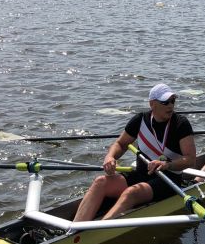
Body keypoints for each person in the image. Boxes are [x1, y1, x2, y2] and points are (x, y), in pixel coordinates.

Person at [73, 83, 196, 222]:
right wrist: (110, 157)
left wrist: (167, 164)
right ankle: (74, 229)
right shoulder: (140, 120)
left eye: (173, 101)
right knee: (100, 181)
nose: (170, 105)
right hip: (142, 174)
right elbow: (121, 144)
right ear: (152, 104)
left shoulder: (181, 124)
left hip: (169, 179)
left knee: (131, 192)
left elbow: (190, 159)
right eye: (165, 102)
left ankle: (98, 230)